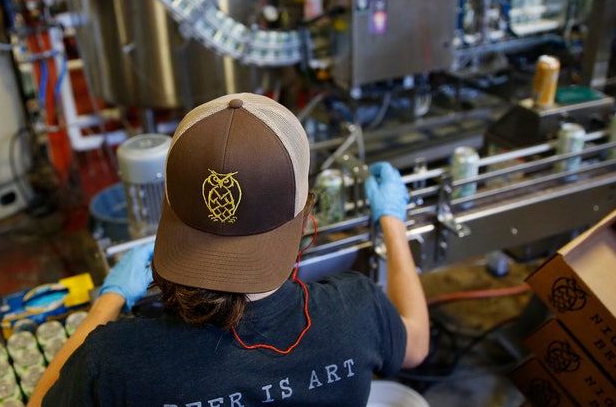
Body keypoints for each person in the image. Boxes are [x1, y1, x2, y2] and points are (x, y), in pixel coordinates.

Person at [29, 92, 429, 406]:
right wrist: (392, 221)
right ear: (306, 217)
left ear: (168, 212)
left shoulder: (115, 360)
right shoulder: (355, 310)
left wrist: (109, 300)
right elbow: (416, 345)